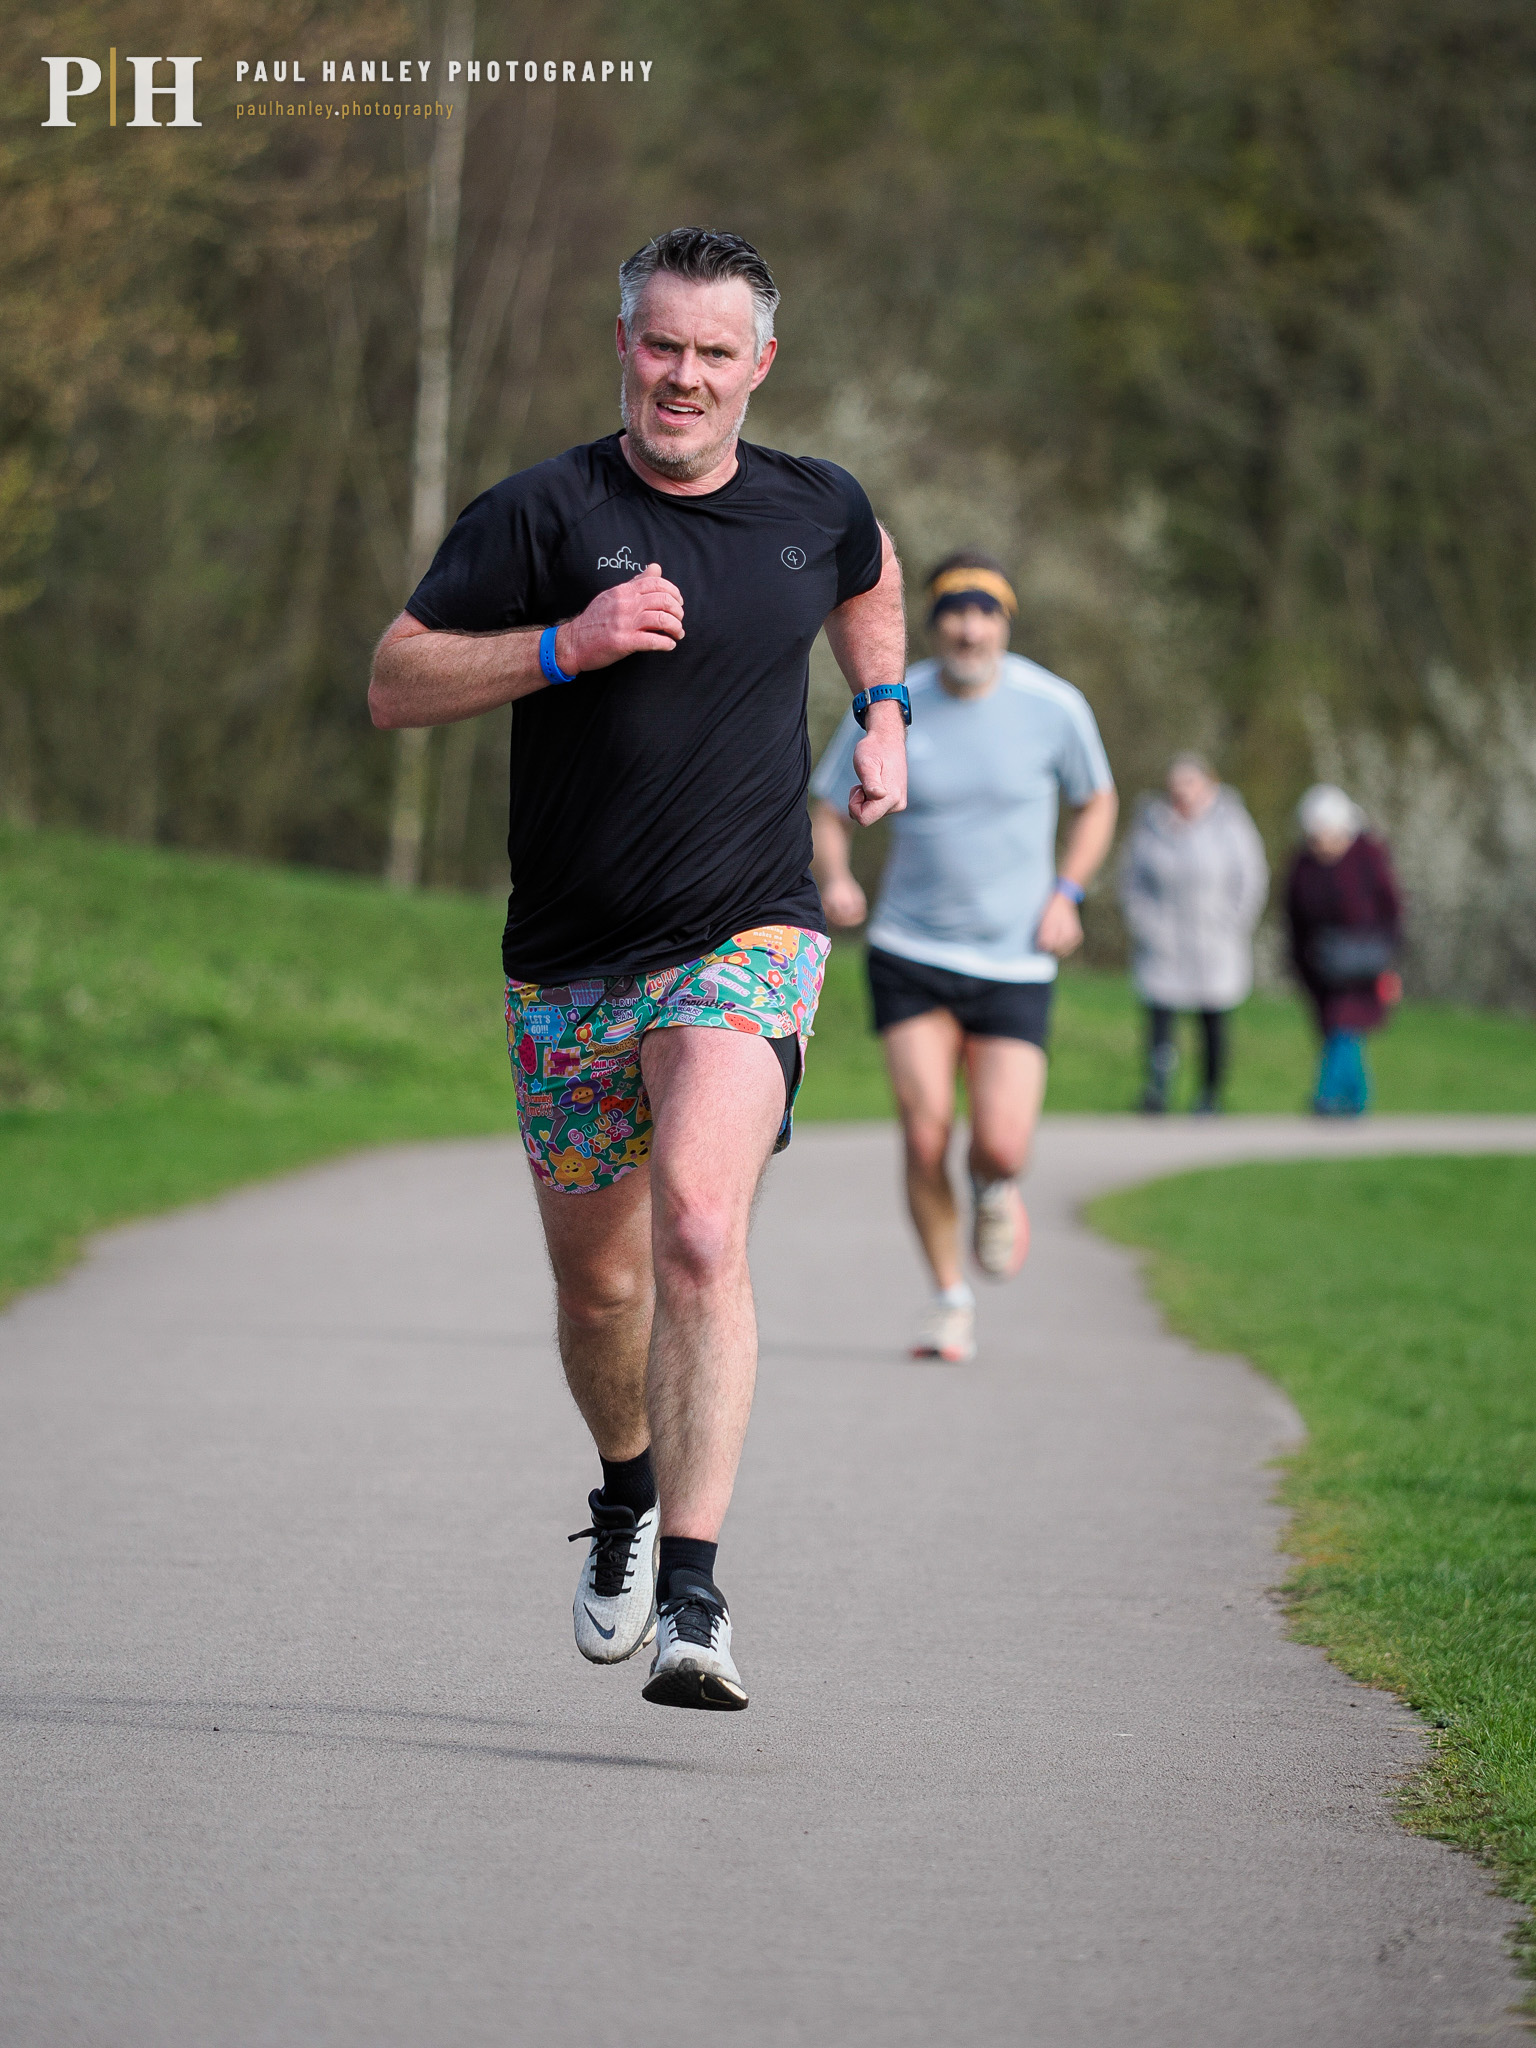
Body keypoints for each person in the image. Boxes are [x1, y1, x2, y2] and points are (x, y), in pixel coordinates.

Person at [368, 228, 909, 1711]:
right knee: (602, 1292)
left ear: (761, 367)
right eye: (661, 345)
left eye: (714, 353)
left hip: (743, 934)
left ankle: (695, 1596)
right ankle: (625, 1490)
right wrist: (565, 646)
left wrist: (887, 710)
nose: (684, 375)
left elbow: (869, 579)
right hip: (566, 966)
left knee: (699, 1223)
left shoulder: (816, 508)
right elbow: (396, 680)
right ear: (625, 345)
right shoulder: (542, 511)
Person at [810, 552, 1116, 1365]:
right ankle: (949, 1299)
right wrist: (836, 878)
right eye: (953, 611)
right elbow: (827, 808)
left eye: (985, 612)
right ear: (934, 622)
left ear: (1005, 624)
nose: (968, 627)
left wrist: (1068, 893)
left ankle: (995, 1186)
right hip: (911, 950)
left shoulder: (1054, 707)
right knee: (923, 1134)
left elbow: (1098, 800)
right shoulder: (893, 704)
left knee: (1002, 1143)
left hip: (1016, 959)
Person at [1118, 752, 1268, 1114]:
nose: (1182, 792)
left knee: (1212, 1023)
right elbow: (1131, 883)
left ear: (1208, 785)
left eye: (1190, 783)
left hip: (1215, 943)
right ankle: (1158, 1090)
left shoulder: (1231, 824)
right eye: (1176, 785)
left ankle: (1209, 1094)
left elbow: (1251, 879)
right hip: (1164, 944)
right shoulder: (1151, 824)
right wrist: (1147, 927)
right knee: (1160, 1023)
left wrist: (1231, 924)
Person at [1286, 784, 1402, 1115]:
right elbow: (1294, 918)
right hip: (1322, 963)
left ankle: (1327, 1094)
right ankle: (1356, 1098)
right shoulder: (1303, 868)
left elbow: (1391, 909)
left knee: (1344, 1026)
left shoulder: (1369, 857)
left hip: (1364, 960)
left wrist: (1386, 954)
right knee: (1338, 1030)